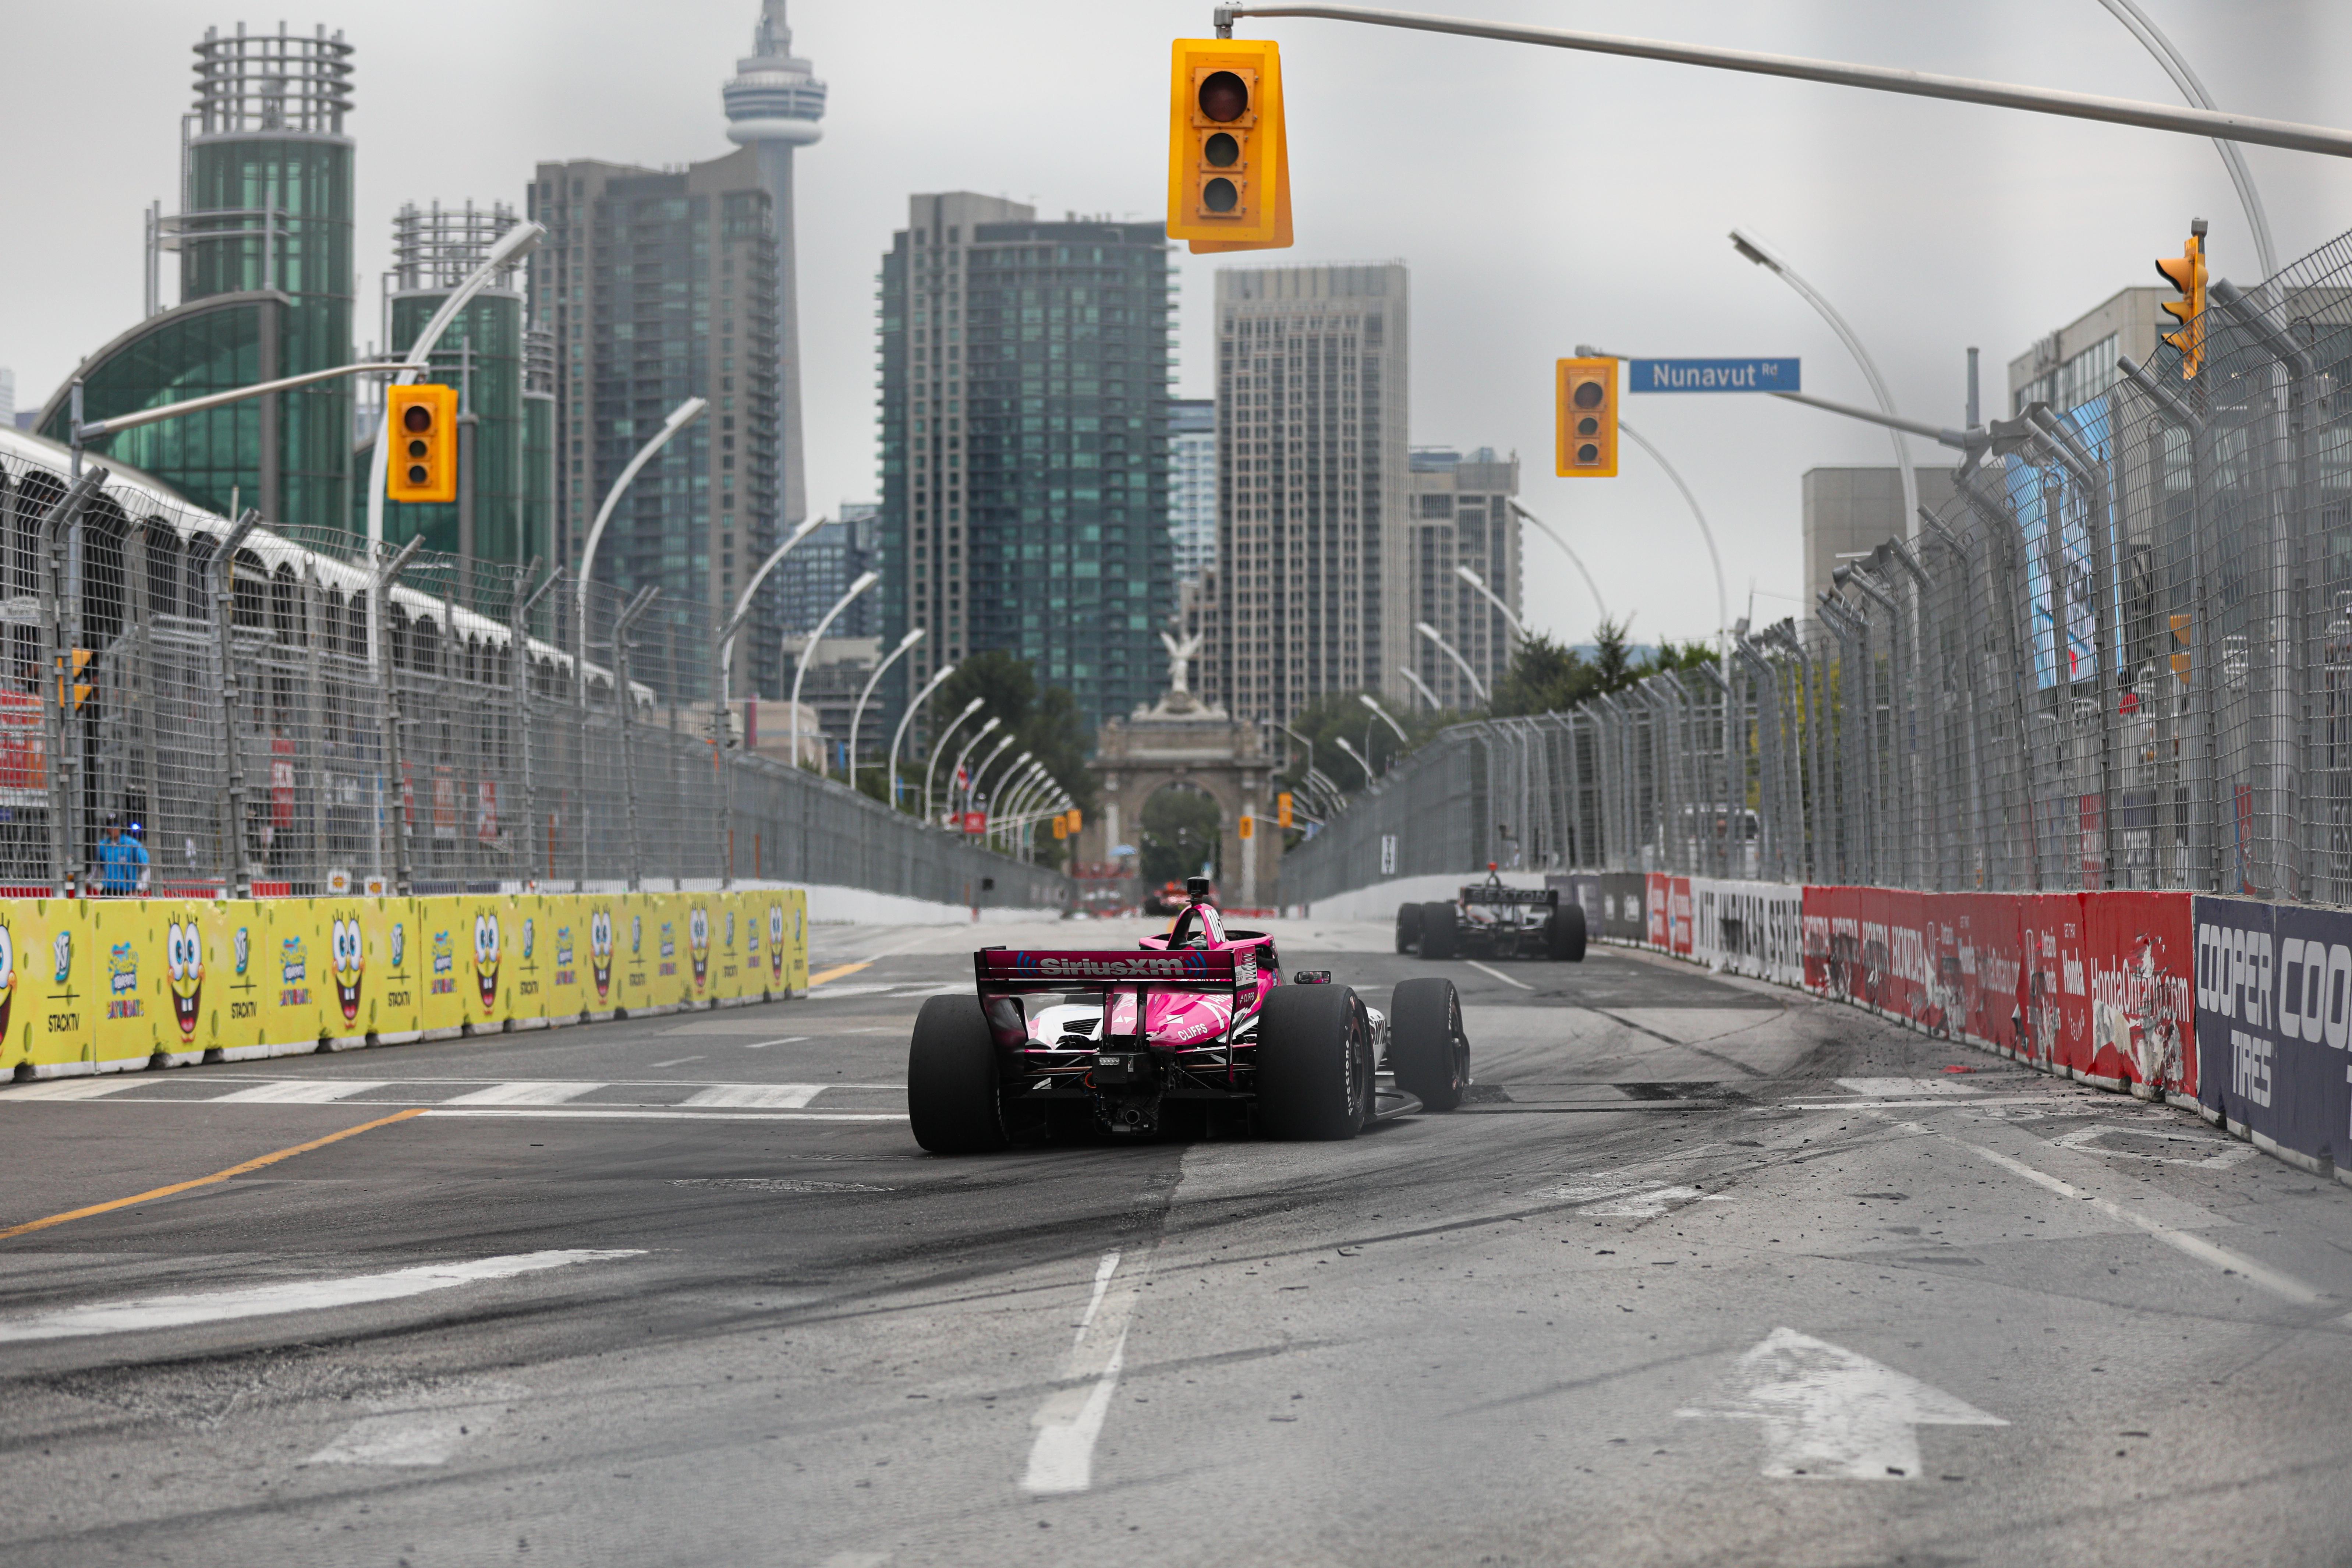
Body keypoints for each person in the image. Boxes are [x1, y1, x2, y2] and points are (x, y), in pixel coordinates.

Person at [96, 815, 150, 897]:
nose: (113, 829)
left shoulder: (133, 845)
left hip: (128, 891)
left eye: (116, 826)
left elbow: (145, 868)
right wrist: (95, 884)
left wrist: (139, 889)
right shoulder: (102, 846)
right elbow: (98, 868)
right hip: (108, 890)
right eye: (110, 826)